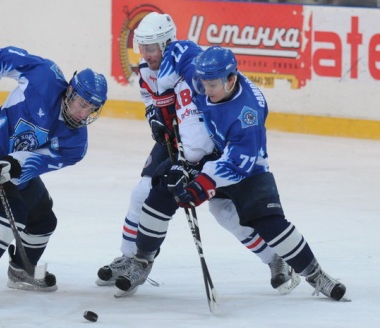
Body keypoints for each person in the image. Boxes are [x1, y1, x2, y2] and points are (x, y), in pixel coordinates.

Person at [116, 45, 349, 302]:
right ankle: (142, 262)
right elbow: (178, 51)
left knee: (268, 221)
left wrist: (199, 187)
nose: (205, 91)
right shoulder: (203, 74)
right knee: (160, 193)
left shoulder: (247, 116)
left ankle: (315, 275)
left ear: (231, 79)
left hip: (246, 162)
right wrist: (161, 106)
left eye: (212, 85)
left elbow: (236, 164)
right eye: (202, 83)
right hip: (209, 148)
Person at [96, 12, 299, 295]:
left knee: (224, 211)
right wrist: (154, 114)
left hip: (207, 147)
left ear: (167, 44)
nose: (145, 54)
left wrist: (188, 161)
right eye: (141, 47)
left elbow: (209, 116)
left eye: (150, 47)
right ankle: (132, 258)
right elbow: (148, 95)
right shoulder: (146, 68)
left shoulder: (194, 71)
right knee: (142, 191)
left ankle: (275, 259)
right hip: (176, 140)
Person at [0, 46, 108, 308]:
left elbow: (38, 161)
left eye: (91, 109)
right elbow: (4, 56)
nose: (83, 114)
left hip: (10, 166)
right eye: (82, 104)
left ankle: (22, 270)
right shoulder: (44, 77)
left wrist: (12, 165)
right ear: (70, 92)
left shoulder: (76, 145)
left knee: (43, 219)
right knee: (9, 213)